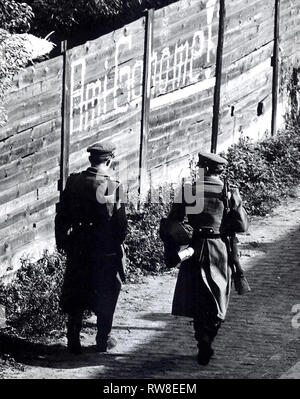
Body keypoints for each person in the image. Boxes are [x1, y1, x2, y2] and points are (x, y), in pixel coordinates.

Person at [168, 151, 249, 366]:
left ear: (200, 167)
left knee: (196, 294)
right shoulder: (228, 192)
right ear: (220, 170)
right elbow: (242, 226)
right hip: (220, 248)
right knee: (219, 294)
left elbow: (173, 223)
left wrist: (178, 246)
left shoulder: (188, 190)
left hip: (194, 247)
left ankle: (201, 337)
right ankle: (208, 336)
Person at [55, 142, 128, 354]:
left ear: (90, 159)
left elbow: (62, 217)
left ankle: (73, 339)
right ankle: (102, 340)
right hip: (104, 248)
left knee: (77, 289)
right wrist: (116, 246)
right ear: (109, 159)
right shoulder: (113, 185)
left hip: (78, 244)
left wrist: (63, 242)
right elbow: (120, 224)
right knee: (107, 291)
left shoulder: (74, 181)